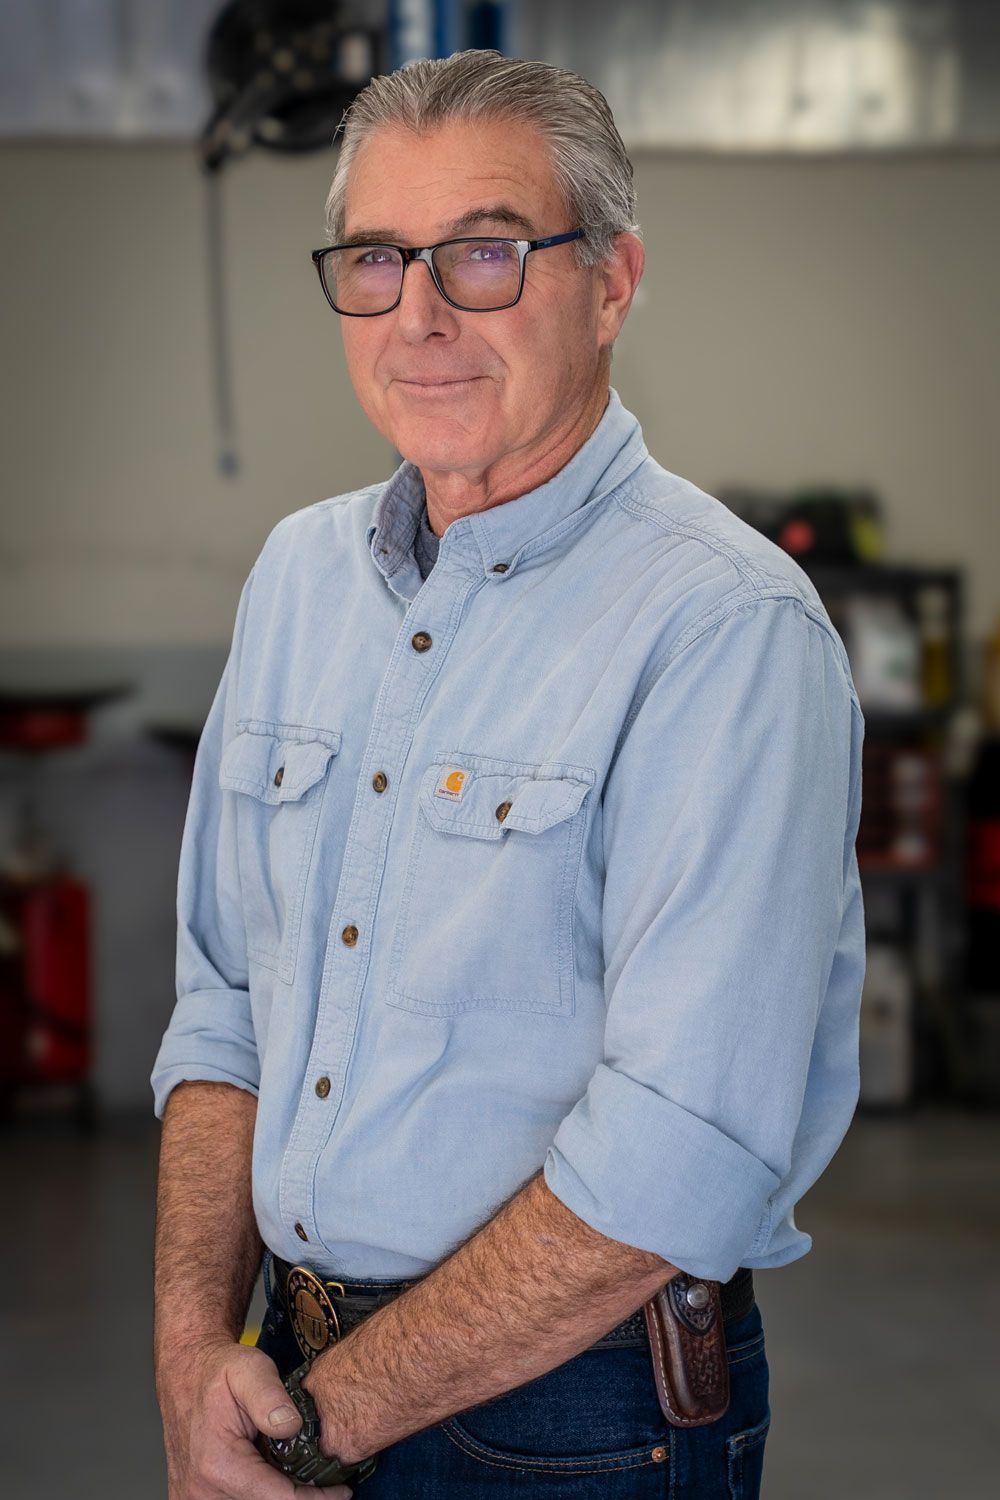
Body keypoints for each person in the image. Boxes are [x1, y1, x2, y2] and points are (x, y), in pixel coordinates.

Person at [151, 48, 865, 1500]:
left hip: (571, 1421)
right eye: (374, 257)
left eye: (484, 251)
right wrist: (188, 1361)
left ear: (612, 280)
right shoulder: (297, 581)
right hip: (280, 1367)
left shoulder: (724, 631)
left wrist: (313, 1424)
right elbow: (223, 1010)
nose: (419, 316)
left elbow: (678, 1156)